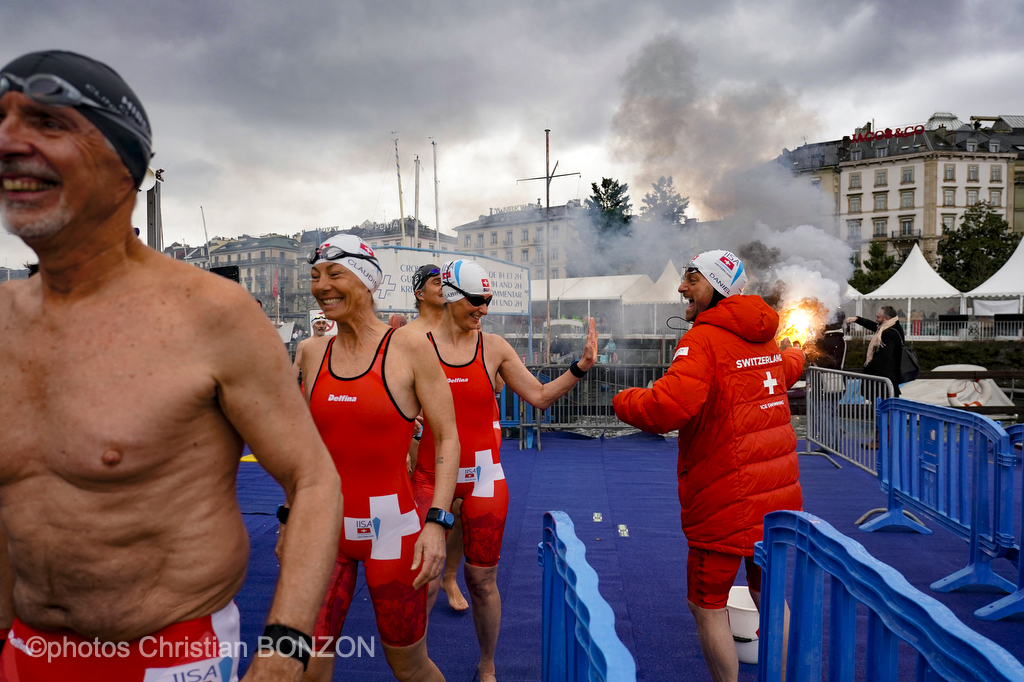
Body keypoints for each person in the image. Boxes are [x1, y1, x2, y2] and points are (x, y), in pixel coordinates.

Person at [0, 50, 342, 680]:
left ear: (124, 166)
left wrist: (287, 646)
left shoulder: (212, 315)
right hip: (24, 653)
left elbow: (314, 478)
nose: (10, 142)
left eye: (47, 123)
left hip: (170, 653)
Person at [613, 250, 803, 682]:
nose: (682, 287)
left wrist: (622, 400)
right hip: (776, 498)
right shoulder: (765, 337)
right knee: (770, 595)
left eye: (692, 279)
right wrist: (799, 357)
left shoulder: (702, 339)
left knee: (707, 604)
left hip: (725, 498)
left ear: (716, 287)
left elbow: (667, 408)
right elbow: (783, 369)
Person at [412, 259, 597, 682]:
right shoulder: (415, 344)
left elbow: (540, 396)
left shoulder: (493, 346)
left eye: (488, 301)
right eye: (477, 301)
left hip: (483, 476)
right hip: (428, 473)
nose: (484, 309)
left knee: (483, 580)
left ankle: (487, 663)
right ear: (452, 296)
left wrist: (582, 366)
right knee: (421, 578)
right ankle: (415, 664)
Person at [291, 235, 461, 682]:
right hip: (324, 531)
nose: (321, 286)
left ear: (367, 282)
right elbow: (304, 448)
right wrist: (291, 515)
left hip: (393, 533)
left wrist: (437, 523)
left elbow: (446, 439)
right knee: (307, 666)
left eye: (334, 274)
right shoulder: (311, 352)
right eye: (314, 277)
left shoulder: (408, 349)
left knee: (409, 667)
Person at [403, 262, 471, 611]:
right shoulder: (407, 336)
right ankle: (421, 575)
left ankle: (449, 576)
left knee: (458, 508)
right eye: (435, 282)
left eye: (446, 282)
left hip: (459, 432)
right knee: (424, 506)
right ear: (419, 293)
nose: (443, 287)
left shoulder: (461, 328)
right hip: (421, 433)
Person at [845, 306, 904, 396]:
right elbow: (873, 325)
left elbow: (884, 357)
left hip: (883, 380)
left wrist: (867, 369)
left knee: (882, 407)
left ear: (886, 318)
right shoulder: (890, 326)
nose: (876, 319)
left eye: (878, 317)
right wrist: (857, 319)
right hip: (886, 379)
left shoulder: (889, 333)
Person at [293, 312, 330, 380]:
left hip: (327, 381)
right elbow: (297, 365)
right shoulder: (304, 344)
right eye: (318, 323)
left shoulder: (331, 343)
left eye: (323, 323)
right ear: (313, 326)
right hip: (309, 382)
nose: (321, 326)